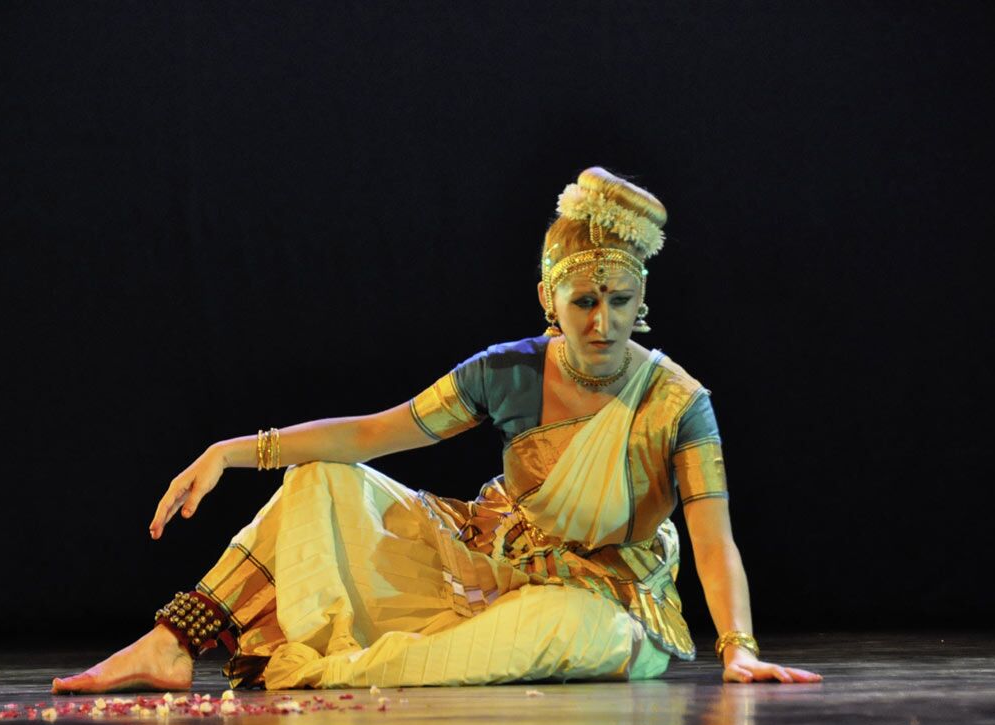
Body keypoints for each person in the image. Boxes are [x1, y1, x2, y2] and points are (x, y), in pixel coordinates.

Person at [52, 167, 822, 693]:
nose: (603, 321)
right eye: (584, 301)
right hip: (493, 559)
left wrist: (739, 649)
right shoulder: (506, 371)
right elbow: (369, 437)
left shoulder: (676, 402)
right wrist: (231, 452)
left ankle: (359, 668)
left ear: (641, 299)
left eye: (619, 301)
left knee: (552, 624)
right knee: (321, 480)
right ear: (549, 298)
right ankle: (172, 642)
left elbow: (713, 542)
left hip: (606, 602)